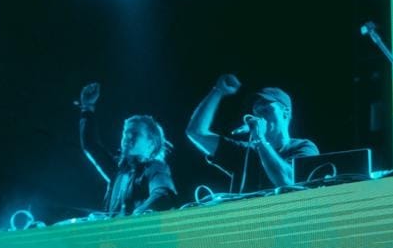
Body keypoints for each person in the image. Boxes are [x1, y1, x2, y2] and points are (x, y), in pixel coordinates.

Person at [186, 74, 318, 191]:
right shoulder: (246, 151)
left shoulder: (304, 147)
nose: (260, 112)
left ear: (285, 112)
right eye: (256, 110)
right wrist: (218, 91)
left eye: (266, 108)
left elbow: (287, 182)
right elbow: (196, 132)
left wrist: (260, 139)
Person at [78, 82, 177, 216]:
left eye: (135, 133)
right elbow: (91, 145)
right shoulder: (117, 169)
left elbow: (162, 193)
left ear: (151, 143)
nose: (127, 137)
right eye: (125, 133)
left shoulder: (155, 167)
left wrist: (134, 217)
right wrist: (87, 107)